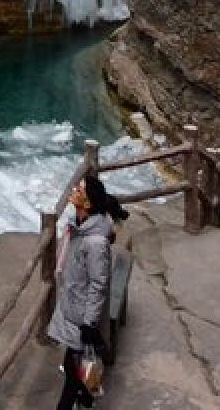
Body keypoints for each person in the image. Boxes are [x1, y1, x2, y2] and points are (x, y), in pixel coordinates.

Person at [47, 173, 128, 409]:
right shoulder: (80, 226)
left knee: (73, 369)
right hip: (75, 309)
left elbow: (98, 284)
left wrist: (90, 324)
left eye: (79, 189)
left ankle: (78, 399)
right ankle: (87, 394)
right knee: (77, 365)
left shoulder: (95, 243)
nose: (74, 189)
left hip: (82, 317)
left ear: (88, 203)